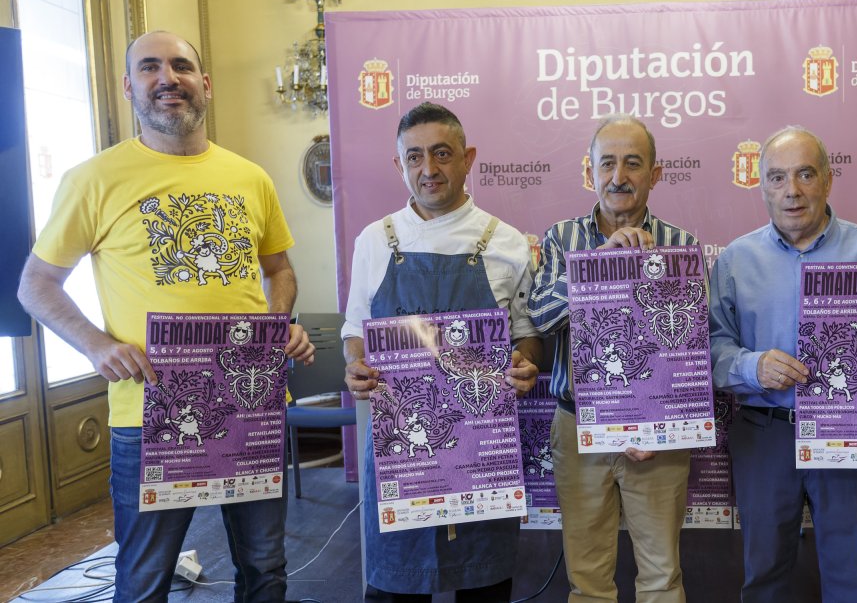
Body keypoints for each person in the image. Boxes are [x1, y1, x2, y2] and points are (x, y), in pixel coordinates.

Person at [17, 30, 315, 602]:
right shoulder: (92, 180)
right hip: (150, 411)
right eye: (150, 67)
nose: (167, 78)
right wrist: (97, 345)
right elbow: (36, 284)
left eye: (181, 66)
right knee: (146, 578)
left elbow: (279, 269)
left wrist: (276, 328)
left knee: (265, 567)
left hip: (249, 403)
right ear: (130, 86)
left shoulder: (250, 177)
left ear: (205, 85)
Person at [341, 101, 542, 602]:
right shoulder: (374, 240)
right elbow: (354, 328)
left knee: (483, 584)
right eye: (414, 157)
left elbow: (527, 332)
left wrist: (526, 364)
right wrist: (354, 365)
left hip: (482, 449)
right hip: (400, 450)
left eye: (442, 153)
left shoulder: (508, 243)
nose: (428, 169)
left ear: (468, 157)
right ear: (398, 165)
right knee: (396, 587)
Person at [709, 126, 857, 603]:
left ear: (828, 180)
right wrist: (752, 366)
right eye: (777, 178)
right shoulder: (735, 260)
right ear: (762, 187)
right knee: (764, 578)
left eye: (804, 174)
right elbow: (708, 351)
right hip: (765, 433)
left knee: (850, 577)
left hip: (851, 435)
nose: (791, 191)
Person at [530, 115, 695, 603]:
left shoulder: (682, 246)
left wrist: (653, 422)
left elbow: (689, 349)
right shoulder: (561, 239)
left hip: (658, 432)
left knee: (662, 573)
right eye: (607, 163)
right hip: (577, 425)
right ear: (590, 173)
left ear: (655, 174)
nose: (618, 176)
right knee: (588, 577)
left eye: (632, 163)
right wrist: (602, 262)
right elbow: (540, 316)